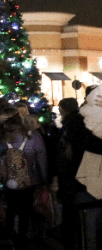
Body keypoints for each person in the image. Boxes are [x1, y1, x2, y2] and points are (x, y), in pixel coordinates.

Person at [0, 107, 48, 246]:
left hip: (10, 179)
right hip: (28, 178)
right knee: (26, 209)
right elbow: (41, 159)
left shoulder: (3, 136)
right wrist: (44, 179)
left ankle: (9, 232)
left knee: (11, 207)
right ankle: (23, 235)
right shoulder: (33, 136)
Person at [55, 97, 102, 249]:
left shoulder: (71, 127)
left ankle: (75, 242)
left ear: (63, 110)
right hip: (89, 178)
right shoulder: (88, 124)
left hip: (75, 179)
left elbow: (69, 156)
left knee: (78, 218)